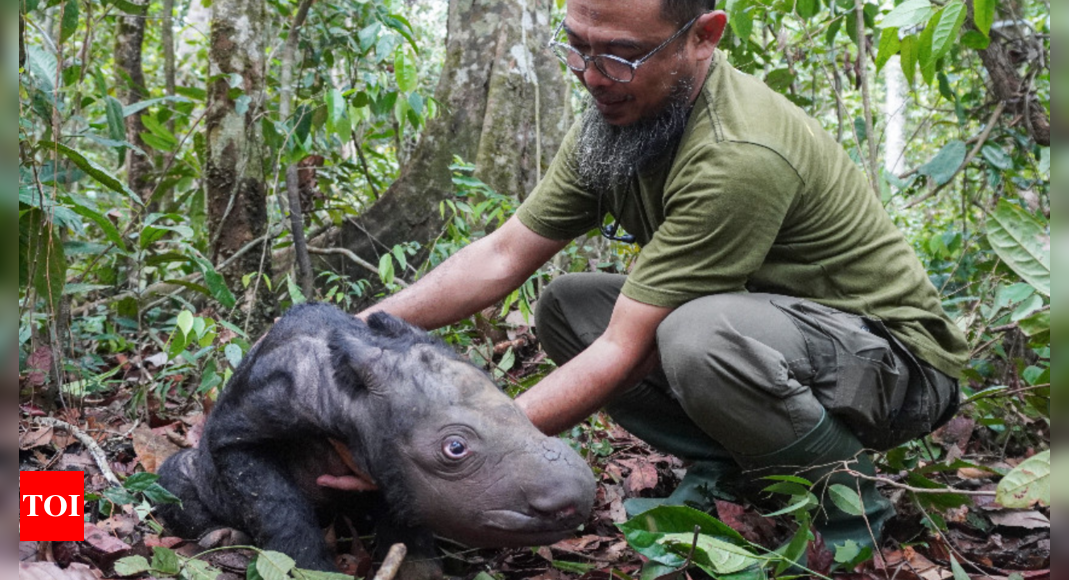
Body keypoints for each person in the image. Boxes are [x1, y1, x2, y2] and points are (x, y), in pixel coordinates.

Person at [319, 0, 968, 559]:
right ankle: (727, 467)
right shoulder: (621, 112)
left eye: (621, 54)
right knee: (568, 306)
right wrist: (341, 339)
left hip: (893, 366)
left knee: (695, 335)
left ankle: (851, 510)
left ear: (702, 36)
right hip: (776, 337)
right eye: (576, 47)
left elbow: (622, 350)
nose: (593, 77)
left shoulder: (737, 154)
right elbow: (502, 255)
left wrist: (451, 460)